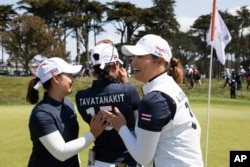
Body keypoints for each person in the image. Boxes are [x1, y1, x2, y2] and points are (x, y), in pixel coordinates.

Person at [103, 34, 204, 167]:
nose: (133, 62)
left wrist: (121, 126)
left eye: (140, 56)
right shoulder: (169, 87)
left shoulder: (155, 99)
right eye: (133, 57)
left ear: (160, 61)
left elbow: (143, 158)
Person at [26, 57, 106, 167]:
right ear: (56, 79)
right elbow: (61, 152)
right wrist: (93, 134)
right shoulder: (41, 114)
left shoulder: (68, 104)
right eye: (69, 75)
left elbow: (71, 140)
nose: (73, 79)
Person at [75, 42, 141, 167]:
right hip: (127, 160)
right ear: (115, 64)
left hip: (98, 161)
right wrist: (126, 84)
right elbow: (139, 125)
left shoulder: (81, 96)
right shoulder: (128, 90)